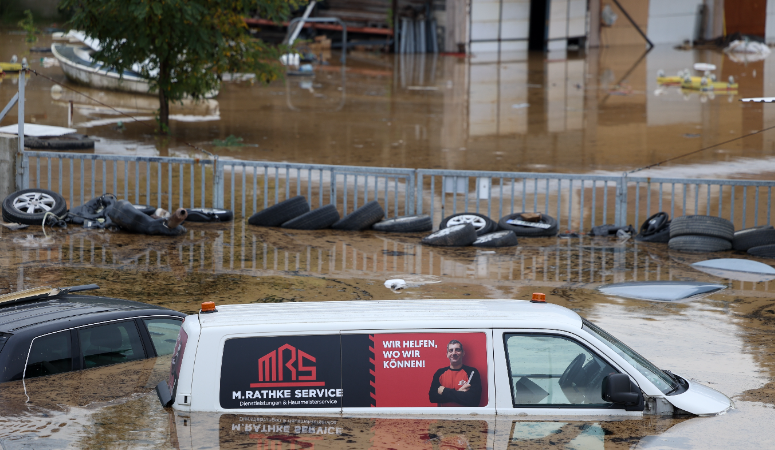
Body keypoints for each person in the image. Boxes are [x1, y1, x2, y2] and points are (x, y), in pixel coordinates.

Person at [428, 340, 482, 407]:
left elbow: (474, 400)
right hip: (444, 416)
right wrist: (459, 393)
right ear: (447, 354)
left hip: (466, 416)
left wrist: (444, 391)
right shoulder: (439, 373)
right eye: (451, 350)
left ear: (463, 353)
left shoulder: (472, 372)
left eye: (457, 350)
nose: (454, 353)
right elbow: (433, 398)